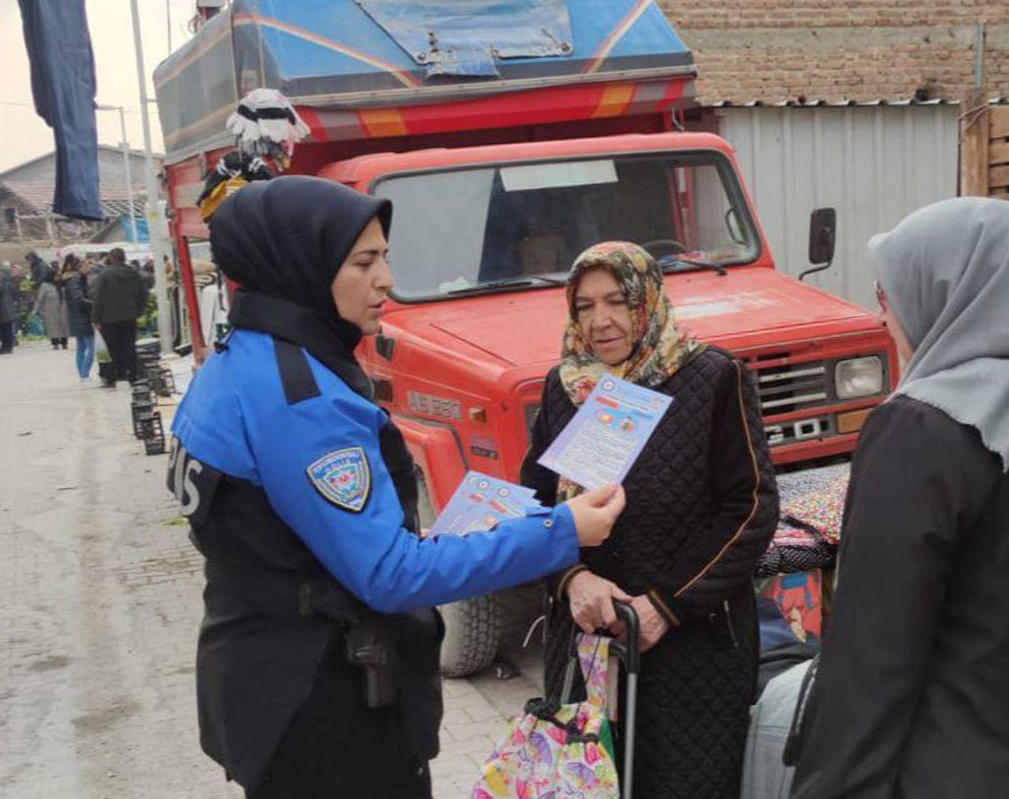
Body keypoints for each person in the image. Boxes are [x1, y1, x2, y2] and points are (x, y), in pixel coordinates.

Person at [168, 175, 627, 799]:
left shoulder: (235, 362)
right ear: (301, 267)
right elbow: (390, 574)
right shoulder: (301, 401)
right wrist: (561, 532)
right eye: (364, 261)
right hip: (325, 703)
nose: (386, 278)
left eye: (384, 256)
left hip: (260, 675)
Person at [788, 198, 1009, 798]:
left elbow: (873, 660)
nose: (883, 314)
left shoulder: (923, 428)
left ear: (950, 292)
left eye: (888, 290)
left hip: (950, 771)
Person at [521, 241, 779, 799]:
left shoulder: (712, 378)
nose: (601, 321)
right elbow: (536, 506)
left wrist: (665, 605)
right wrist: (571, 580)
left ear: (647, 300)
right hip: (588, 637)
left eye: (616, 300)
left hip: (694, 647)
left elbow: (751, 506)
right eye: (585, 305)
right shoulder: (566, 388)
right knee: (592, 782)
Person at [90, 247, 147, 387]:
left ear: (111, 258)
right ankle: (132, 374)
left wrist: (95, 318)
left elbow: (99, 297)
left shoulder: (104, 275)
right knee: (129, 346)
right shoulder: (134, 274)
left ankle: (111, 377)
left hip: (108, 317)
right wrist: (138, 311)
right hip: (129, 316)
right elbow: (143, 294)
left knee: (110, 348)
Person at [61, 255, 96, 382]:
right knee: (91, 347)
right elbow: (78, 299)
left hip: (76, 317)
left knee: (81, 347)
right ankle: (84, 373)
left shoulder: (73, 279)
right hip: (82, 318)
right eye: (85, 265)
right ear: (78, 267)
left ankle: (82, 374)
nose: (88, 268)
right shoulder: (74, 280)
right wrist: (93, 304)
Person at [33, 265, 69, 350]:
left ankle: (64, 342)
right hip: (50, 309)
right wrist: (35, 310)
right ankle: (55, 343)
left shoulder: (62, 284)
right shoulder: (45, 286)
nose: (58, 277)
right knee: (53, 326)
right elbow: (40, 299)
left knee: (64, 325)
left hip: (62, 308)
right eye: (56, 275)